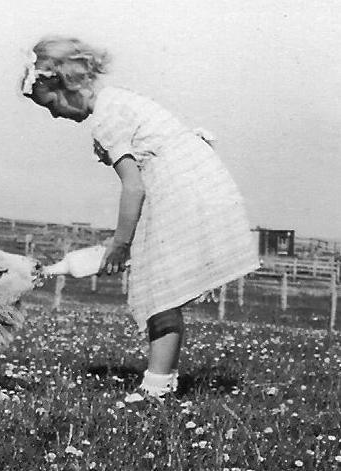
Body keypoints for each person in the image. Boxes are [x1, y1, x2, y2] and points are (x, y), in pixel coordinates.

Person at [20, 36, 259, 399]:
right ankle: (160, 382)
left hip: (176, 190)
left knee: (159, 290)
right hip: (193, 183)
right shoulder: (119, 99)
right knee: (162, 289)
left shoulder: (106, 120)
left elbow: (134, 187)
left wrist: (120, 243)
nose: (55, 115)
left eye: (51, 105)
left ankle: (156, 388)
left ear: (65, 86)